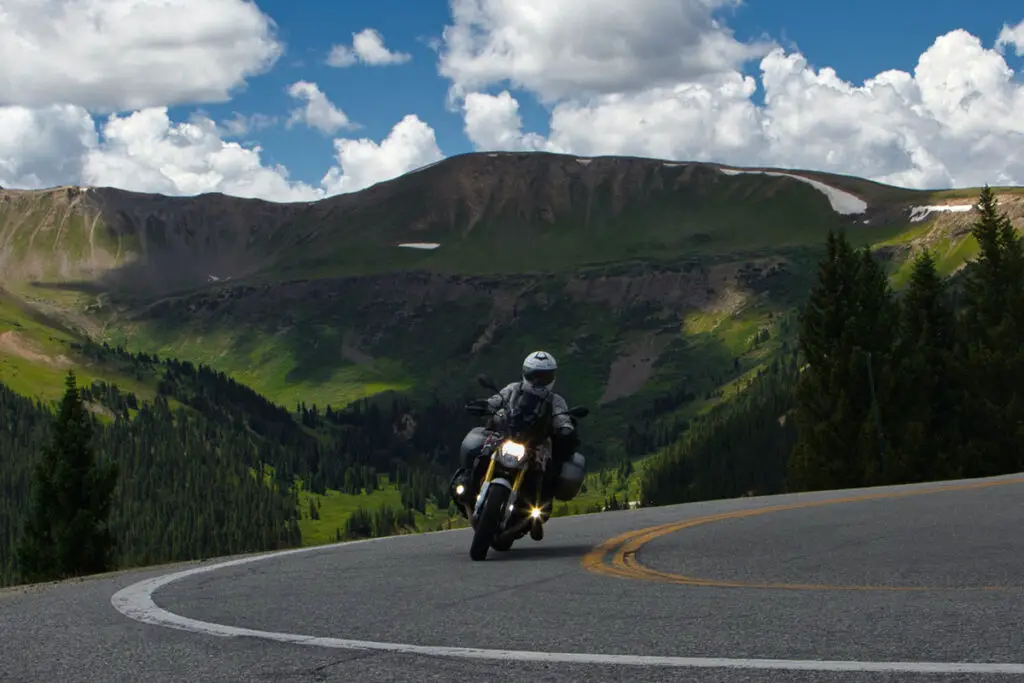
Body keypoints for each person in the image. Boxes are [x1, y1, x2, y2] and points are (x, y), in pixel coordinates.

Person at [450, 350, 579, 509]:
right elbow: (497, 400)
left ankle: (540, 503)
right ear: (526, 373)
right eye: (534, 375)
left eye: (544, 377)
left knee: (546, 468)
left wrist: (566, 428)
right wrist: (485, 405)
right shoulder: (513, 389)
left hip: (535, 444)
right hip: (506, 435)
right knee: (483, 450)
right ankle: (469, 484)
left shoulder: (555, 400)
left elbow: (562, 417)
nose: (538, 381)